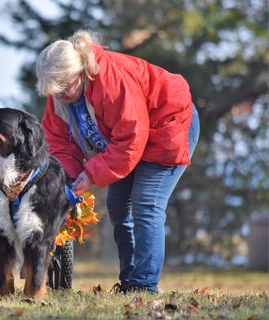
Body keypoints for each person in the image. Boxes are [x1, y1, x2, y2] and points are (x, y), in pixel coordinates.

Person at [36, 30, 200, 294]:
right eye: (55, 90)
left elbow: (131, 138)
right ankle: (130, 281)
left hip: (168, 125)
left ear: (81, 71)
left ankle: (144, 285)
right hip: (129, 140)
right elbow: (59, 141)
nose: (60, 95)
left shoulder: (111, 80)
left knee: (146, 203)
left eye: (65, 87)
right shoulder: (60, 91)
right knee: (116, 204)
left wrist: (90, 175)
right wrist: (67, 179)